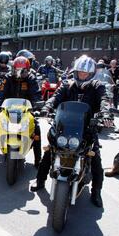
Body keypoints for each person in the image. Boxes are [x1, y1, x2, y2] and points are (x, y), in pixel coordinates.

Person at [31, 55, 110, 208]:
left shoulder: (97, 86)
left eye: (86, 74)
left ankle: (96, 191)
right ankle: (40, 180)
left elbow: (105, 100)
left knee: (95, 159)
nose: (83, 76)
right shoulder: (67, 85)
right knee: (50, 152)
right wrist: (47, 107)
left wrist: (105, 114)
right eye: (80, 73)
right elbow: (55, 98)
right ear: (75, 72)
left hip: (87, 129)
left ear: (91, 74)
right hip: (64, 127)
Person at [0, 56, 42, 168]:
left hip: (26, 111)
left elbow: (36, 94)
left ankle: (38, 159)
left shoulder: (31, 79)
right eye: (16, 70)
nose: (18, 73)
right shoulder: (8, 78)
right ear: (12, 69)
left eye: (22, 71)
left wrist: (37, 108)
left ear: (27, 70)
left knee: (36, 128)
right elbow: (1, 92)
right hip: (8, 109)